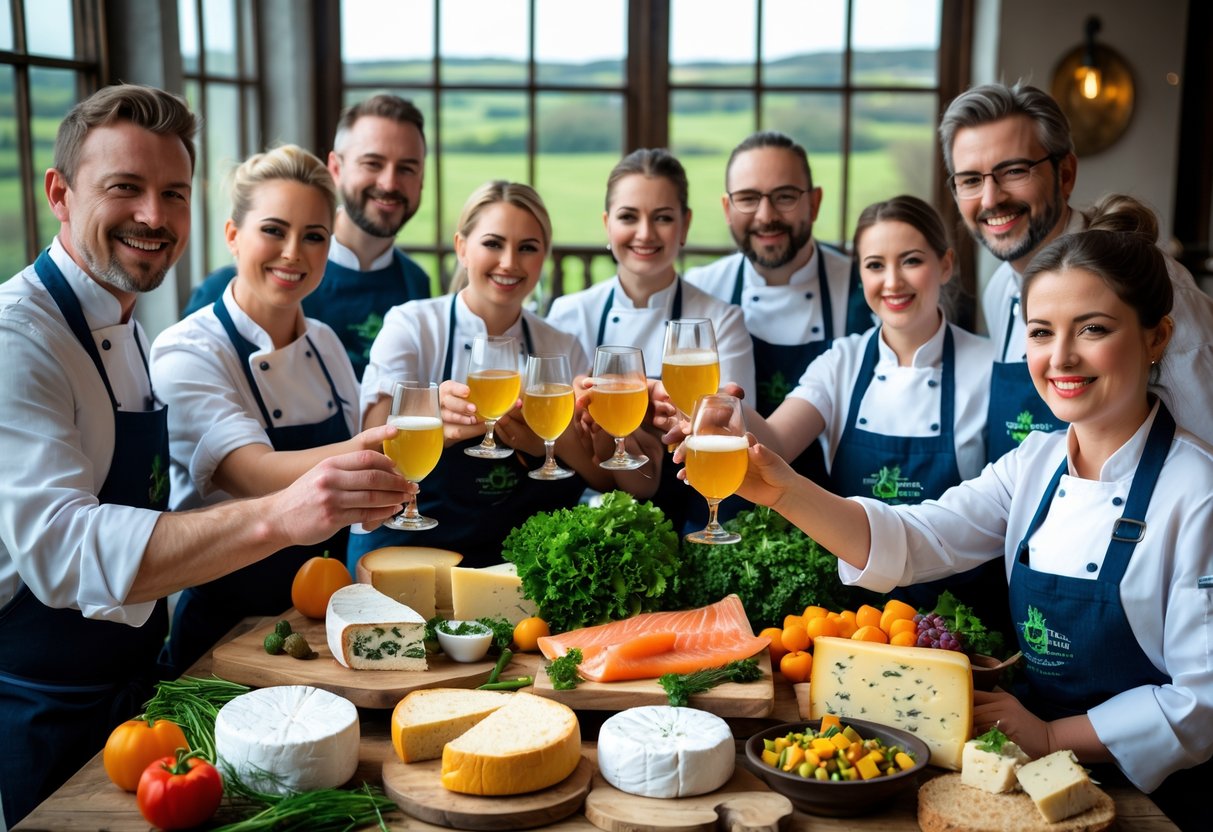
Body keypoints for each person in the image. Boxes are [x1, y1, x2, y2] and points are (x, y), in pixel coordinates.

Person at [724, 208, 1212, 832]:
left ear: (1157, 336)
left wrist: (1051, 732)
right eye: (1040, 331)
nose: (1060, 357)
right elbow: (918, 536)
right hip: (1023, 776)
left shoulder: (1197, 491)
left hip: (1160, 796)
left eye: (1092, 329)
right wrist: (784, 492)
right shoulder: (1035, 463)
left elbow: (1202, 703)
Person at [0, 85, 407, 828]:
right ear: (59, 193)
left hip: (147, 684)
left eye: (171, 193)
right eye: (125, 188)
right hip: (48, 697)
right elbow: (60, 549)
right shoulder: (18, 339)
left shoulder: (125, 327)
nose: (153, 216)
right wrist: (285, 512)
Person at [150, 145, 401, 674]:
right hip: (223, 634)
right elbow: (252, 475)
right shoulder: (188, 350)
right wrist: (373, 447)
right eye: (273, 230)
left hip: (321, 628)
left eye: (314, 237)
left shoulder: (327, 343)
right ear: (233, 235)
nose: (294, 252)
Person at [939, 81, 1213, 459]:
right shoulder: (1001, 288)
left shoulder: (1156, 288)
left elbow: (1205, 453)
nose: (990, 199)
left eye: (1014, 171)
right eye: (970, 180)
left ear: (1065, 174)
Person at [353, 181, 619, 569]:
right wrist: (429, 422)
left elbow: (602, 475)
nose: (510, 262)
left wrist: (546, 438)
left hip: (517, 565)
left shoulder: (561, 346)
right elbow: (367, 451)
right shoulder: (412, 325)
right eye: (493, 244)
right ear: (462, 247)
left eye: (528, 248)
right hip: (408, 555)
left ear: (543, 257)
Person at [547, 148, 755, 529]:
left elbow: (733, 429)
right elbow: (557, 432)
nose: (645, 233)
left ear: (685, 225)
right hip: (590, 518)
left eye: (662, 218)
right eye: (629, 217)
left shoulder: (722, 320)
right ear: (607, 223)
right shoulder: (568, 313)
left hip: (694, 505)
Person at [183, 94, 432, 377]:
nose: (389, 183)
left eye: (407, 168)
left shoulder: (416, 285)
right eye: (372, 164)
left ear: (422, 179)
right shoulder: (224, 292)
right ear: (336, 168)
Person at [683, 131, 871, 482]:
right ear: (727, 208)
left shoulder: (862, 290)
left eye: (784, 197)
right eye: (748, 198)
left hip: (830, 503)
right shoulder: (701, 290)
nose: (766, 216)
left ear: (814, 203)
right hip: (726, 495)